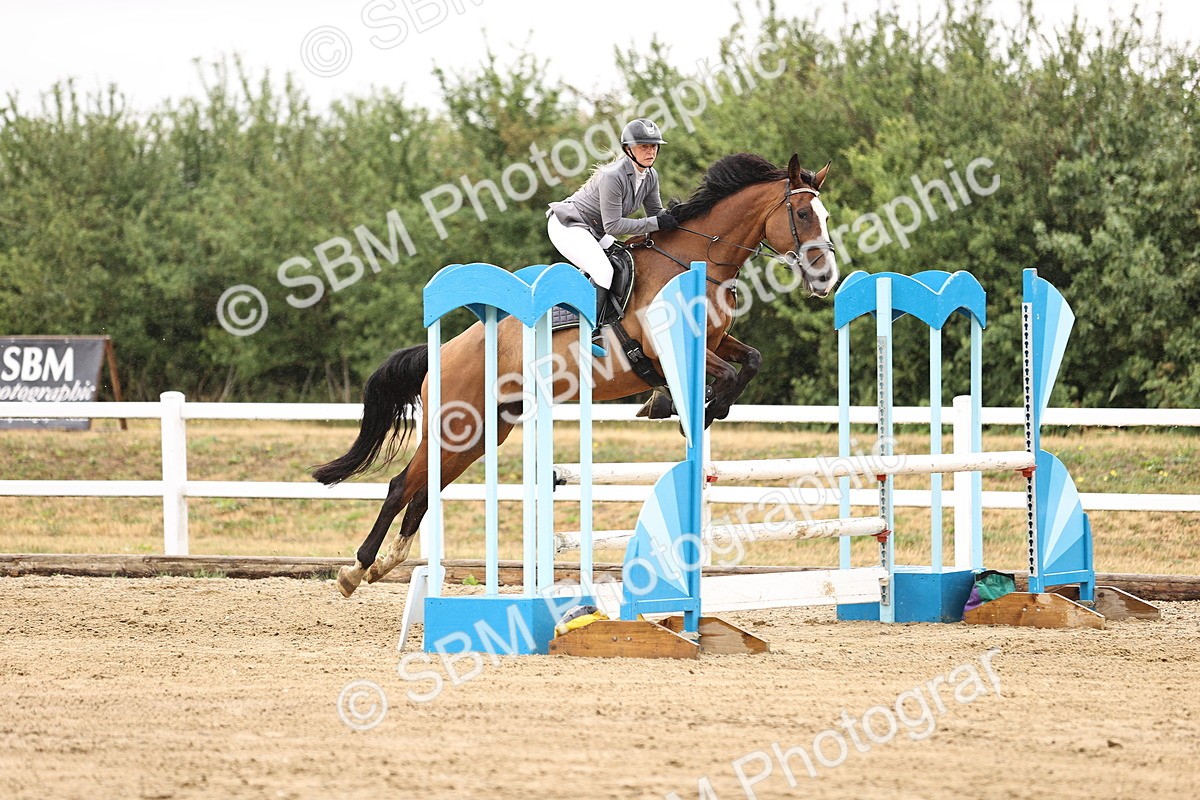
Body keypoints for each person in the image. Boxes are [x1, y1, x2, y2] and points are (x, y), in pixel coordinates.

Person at [547, 118, 679, 353]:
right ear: (629, 149)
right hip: (568, 224)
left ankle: (611, 318)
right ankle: (591, 333)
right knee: (603, 271)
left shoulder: (650, 176)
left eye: (653, 146)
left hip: (593, 229)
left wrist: (677, 216)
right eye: (643, 146)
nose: (650, 151)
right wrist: (657, 222)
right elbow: (614, 226)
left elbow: (656, 214)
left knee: (625, 261)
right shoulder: (613, 175)